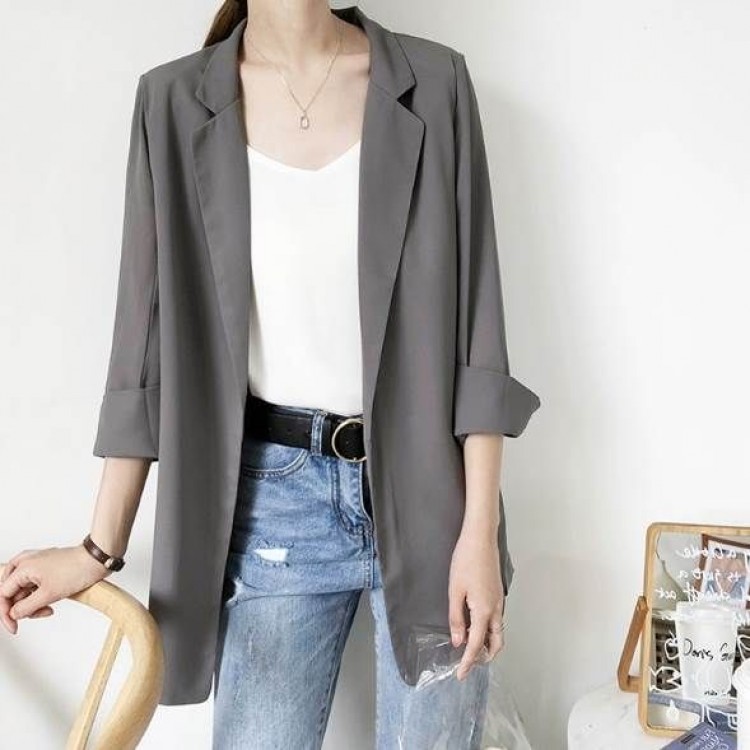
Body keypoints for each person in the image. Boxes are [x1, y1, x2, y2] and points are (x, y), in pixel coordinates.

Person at [0, 2, 540, 747]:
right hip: (274, 507)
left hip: (435, 500)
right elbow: (144, 350)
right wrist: (97, 548)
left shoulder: (434, 83)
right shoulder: (172, 102)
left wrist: (479, 531)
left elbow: (478, 328)